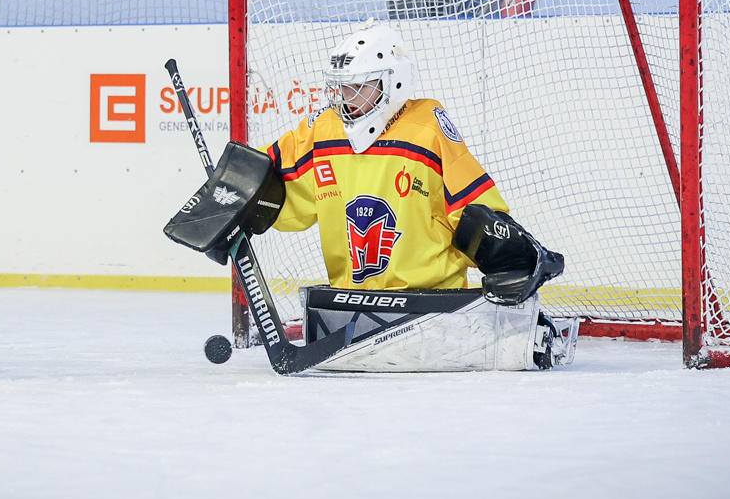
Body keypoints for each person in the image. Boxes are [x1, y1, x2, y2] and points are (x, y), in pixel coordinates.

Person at [165, 21, 576, 372]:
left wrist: (509, 255)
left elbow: (472, 207)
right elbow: (272, 182)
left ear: (392, 83)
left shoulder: (426, 128)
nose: (345, 99)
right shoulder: (323, 130)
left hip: (429, 312)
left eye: (357, 88)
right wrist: (233, 201)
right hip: (351, 310)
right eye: (340, 88)